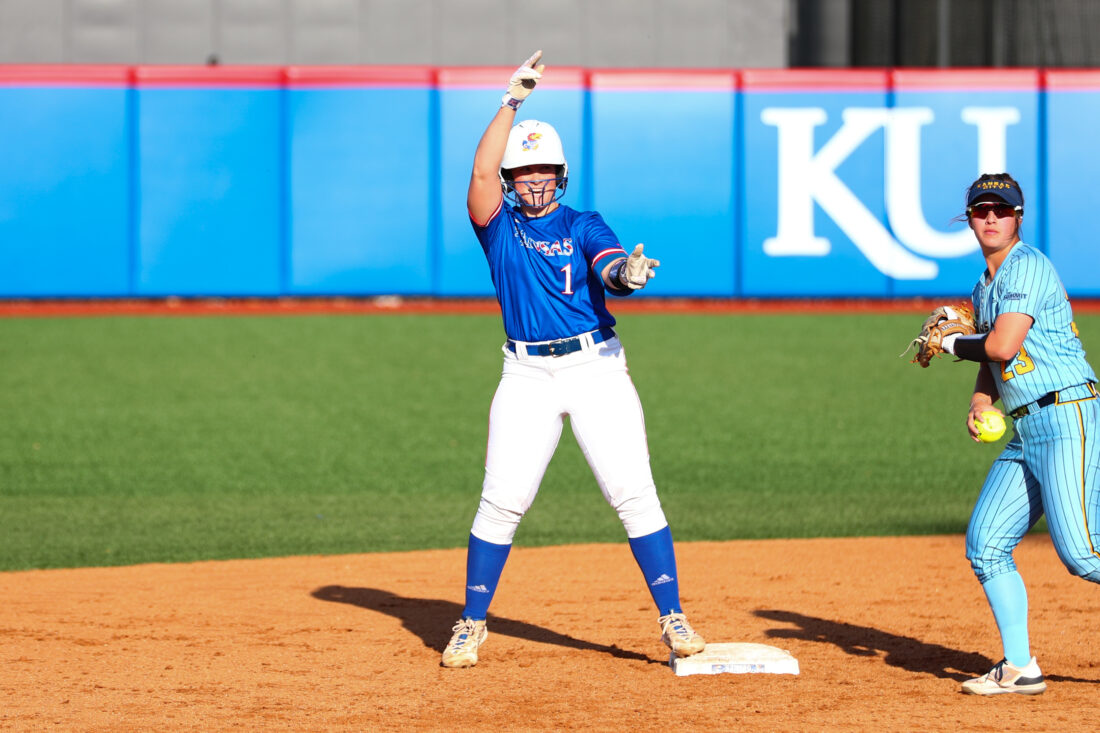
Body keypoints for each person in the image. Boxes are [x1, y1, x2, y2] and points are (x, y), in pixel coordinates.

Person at [440, 51, 706, 669]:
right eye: (523, 171)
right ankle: (471, 622)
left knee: (633, 493)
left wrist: (626, 275)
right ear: (511, 179)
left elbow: (609, 265)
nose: (534, 180)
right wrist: (511, 102)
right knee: (501, 501)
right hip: (526, 373)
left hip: (595, 368)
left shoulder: (584, 222)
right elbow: (479, 173)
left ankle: (672, 617)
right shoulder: (498, 228)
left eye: (544, 170)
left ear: (561, 175)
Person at [935, 173, 1099, 695]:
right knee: (986, 544)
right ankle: (1020, 667)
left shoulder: (1027, 265)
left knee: (1083, 554)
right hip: (1028, 427)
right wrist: (981, 400)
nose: (991, 218)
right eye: (981, 210)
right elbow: (995, 362)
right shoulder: (984, 286)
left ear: (1018, 217)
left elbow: (1002, 345)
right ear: (968, 219)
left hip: (1067, 415)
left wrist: (951, 343)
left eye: (1001, 210)